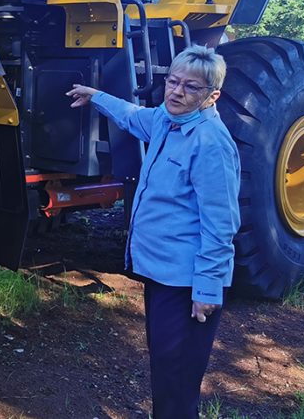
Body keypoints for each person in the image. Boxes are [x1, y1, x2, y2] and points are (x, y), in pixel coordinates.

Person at [66, 44, 240, 419]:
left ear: (212, 96)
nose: (176, 92)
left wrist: (207, 289)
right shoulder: (166, 120)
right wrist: (96, 96)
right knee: (165, 367)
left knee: (178, 378)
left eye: (190, 87)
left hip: (187, 281)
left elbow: (221, 223)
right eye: (173, 82)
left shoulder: (210, 143)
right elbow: (133, 116)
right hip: (162, 273)